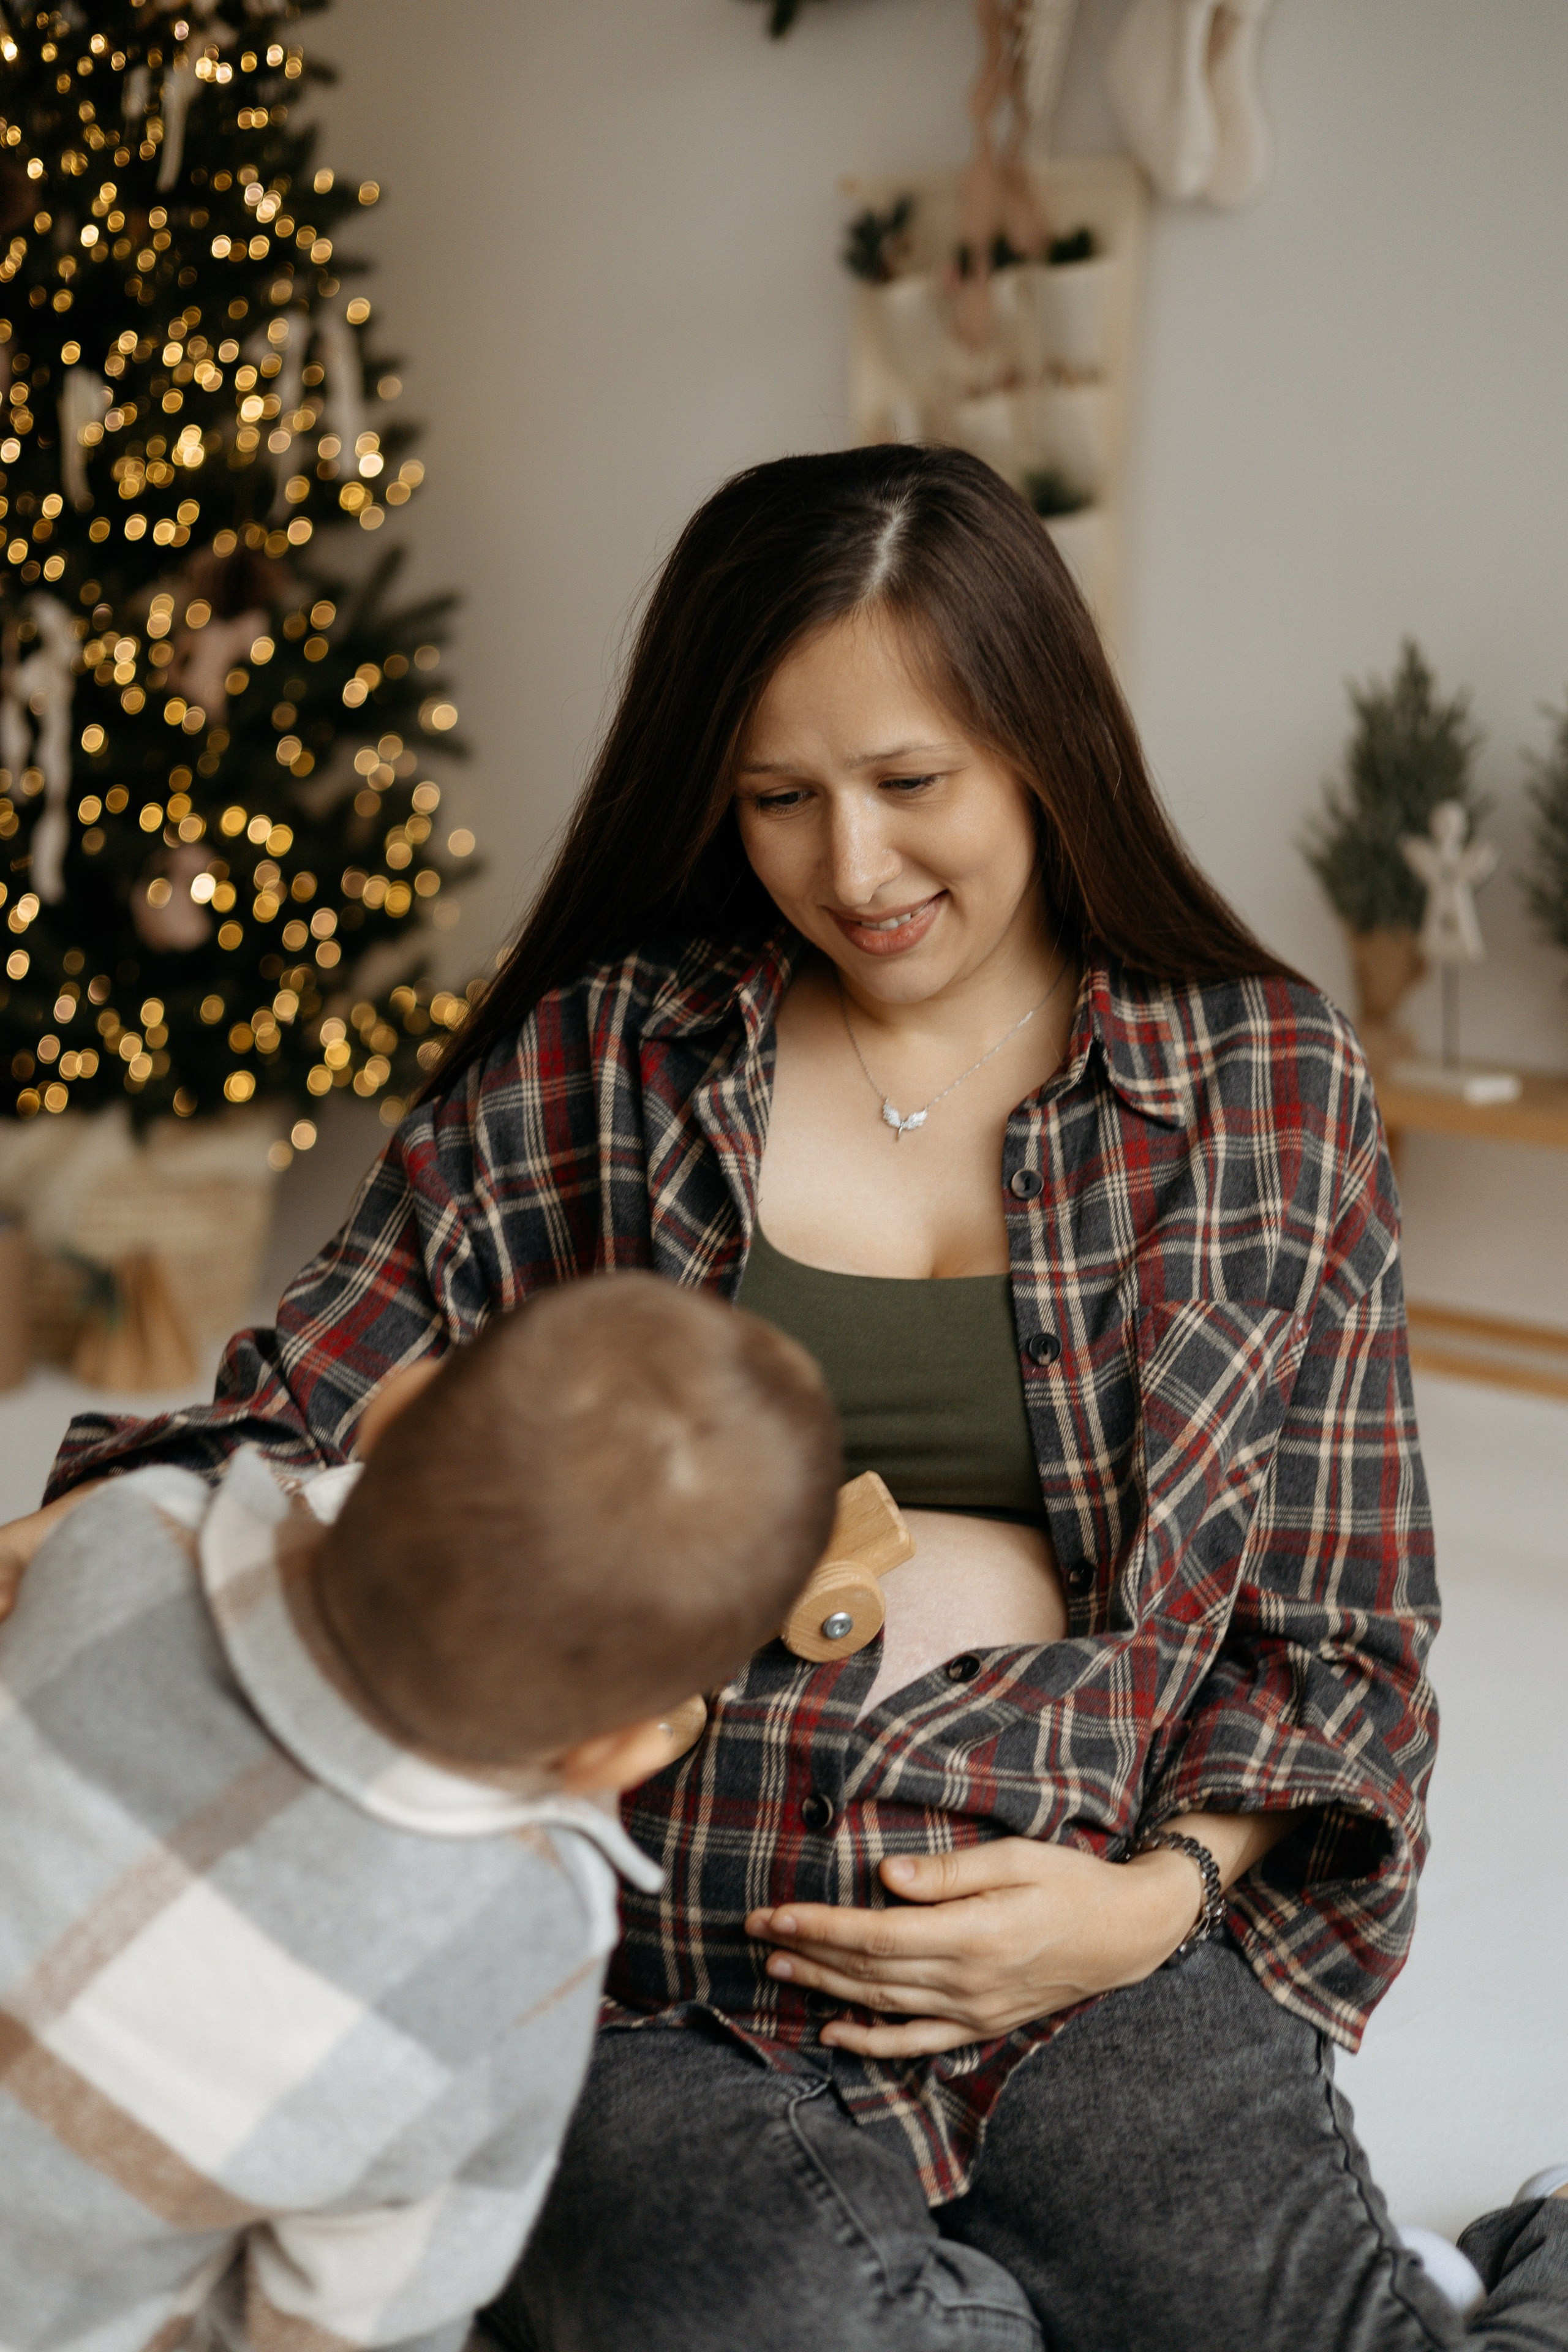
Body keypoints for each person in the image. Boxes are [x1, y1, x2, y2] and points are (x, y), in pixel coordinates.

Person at [6, 445, 1564, 2350]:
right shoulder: (611, 1059)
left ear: (1044, 744)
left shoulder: (1268, 1084)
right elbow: (307, 1406)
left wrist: (1156, 1902)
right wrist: (77, 1538)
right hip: (656, 1975)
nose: (853, 870)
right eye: (778, 800)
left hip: (1080, 1930)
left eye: (913, 785)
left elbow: (1343, 1630)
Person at [0, 1275, 841, 2352]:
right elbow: (361, 2317)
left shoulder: (128, 1532)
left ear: (387, 1412)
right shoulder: (527, 1936)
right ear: (617, 1750)